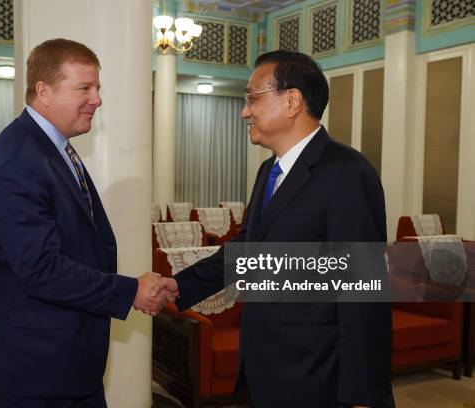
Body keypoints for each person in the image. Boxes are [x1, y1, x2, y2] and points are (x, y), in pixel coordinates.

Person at [158, 51, 394, 407]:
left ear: (292, 101)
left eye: (252, 98)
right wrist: (178, 285)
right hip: (260, 367)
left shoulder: (347, 172)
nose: (245, 111)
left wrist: (364, 396)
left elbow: (363, 291)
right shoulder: (267, 172)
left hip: (316, 377)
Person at [0, 38, 174, 408]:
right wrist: (130, 292)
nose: (97, 99)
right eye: (84, 88)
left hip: (62, 358)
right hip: (30, 365)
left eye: (98, 88)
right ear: (43, 91)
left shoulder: (51, 147)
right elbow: (41, 269)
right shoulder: (18, 161)